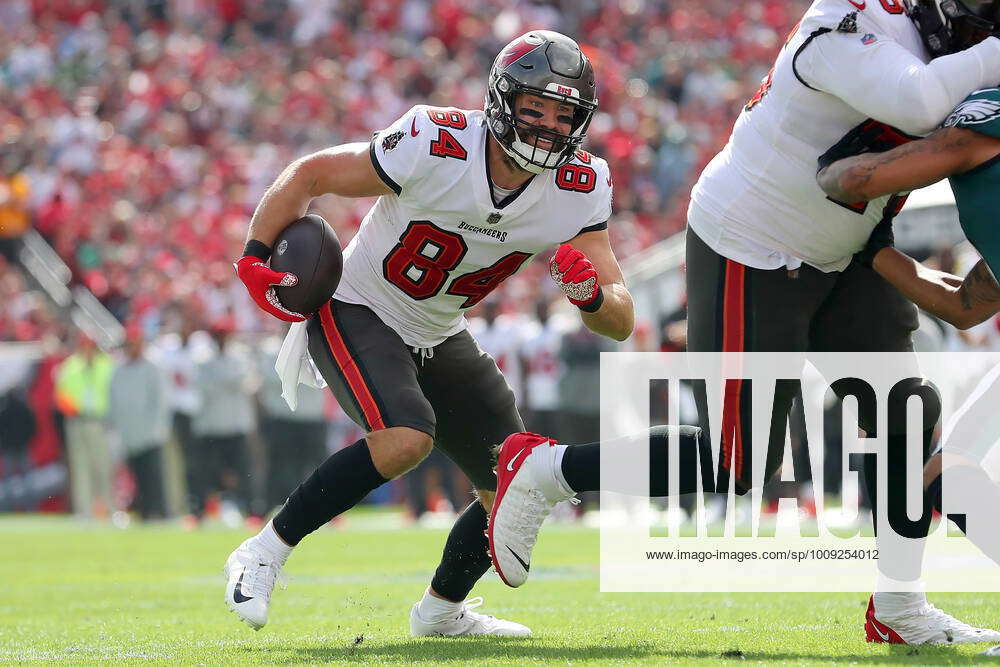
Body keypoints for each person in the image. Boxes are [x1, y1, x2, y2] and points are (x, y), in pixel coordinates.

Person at [492, 0, 1000, 646]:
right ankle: (546, 469)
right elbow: (923, 102)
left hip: (852, 248)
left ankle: (900, 601)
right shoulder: (846, 23)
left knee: (903, 413)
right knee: (740, 463)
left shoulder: (938, 38)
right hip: (755, 245)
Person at [224, 30, 634, 637]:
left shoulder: (580, 186)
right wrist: (256, 253)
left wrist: (592, 296)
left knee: (514, 492)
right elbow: (311, 175)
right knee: (404, 439)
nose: (549, 126)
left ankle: (441, 613)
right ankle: (263, 551)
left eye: (563, 113)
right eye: (535, 109)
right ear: (502, 102)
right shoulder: (434, 142)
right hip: (360, 303)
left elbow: (620, 320)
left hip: (440, 328)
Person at [815, 87, 1000, 330]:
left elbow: (853, 181)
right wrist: (874, 251)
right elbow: (964, 306)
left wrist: (826, 169)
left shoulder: (978, 131)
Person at [108, 326, 169, 520]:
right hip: (129, 433)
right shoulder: (118, 370)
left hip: (150, 433)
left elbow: (160, 401)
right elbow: (115, 402)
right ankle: (144, 512)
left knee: (154, 476)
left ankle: (159, 512)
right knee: (136, 477)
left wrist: (158, 428)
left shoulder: (152, 367)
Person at [54, 332, 114, 520]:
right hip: (77, 421)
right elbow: (60, 395)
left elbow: (113, 393)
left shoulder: (106, 365)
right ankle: (85, 512)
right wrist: (72, 410)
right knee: (81, 468)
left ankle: (111, 510)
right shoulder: (70, 366)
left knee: (103, 467)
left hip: (99, 421)